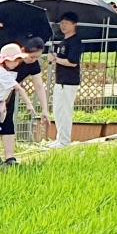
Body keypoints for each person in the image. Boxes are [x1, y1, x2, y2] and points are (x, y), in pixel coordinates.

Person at [0, 44, 38, 169]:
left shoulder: (1, 70)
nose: (16, 63)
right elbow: (19, 89)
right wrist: (29, 104)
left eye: (17, 60)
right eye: (13, 60)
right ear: (5, 60)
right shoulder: (2, 73)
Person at [0, 36, 50, 165]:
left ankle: (9, 157)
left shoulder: (33, 64)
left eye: (37, 58)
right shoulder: (10, 59)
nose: (33, 60)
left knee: (8, 122)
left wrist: (45, 109)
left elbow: (39, 85)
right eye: (31, 56)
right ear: (22, 50)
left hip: (10, 94)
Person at [49, 12, 84, 149]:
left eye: (66, 23)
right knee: (58, 110)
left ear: (74, 25)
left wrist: (56, 59)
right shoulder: (62, 41)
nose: (63, 26)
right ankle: (60, 138)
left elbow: (72, 62)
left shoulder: (76, 41)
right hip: (60, 80)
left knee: (65, 111)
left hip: (69, 81)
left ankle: (65, 141)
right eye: (62, 23)